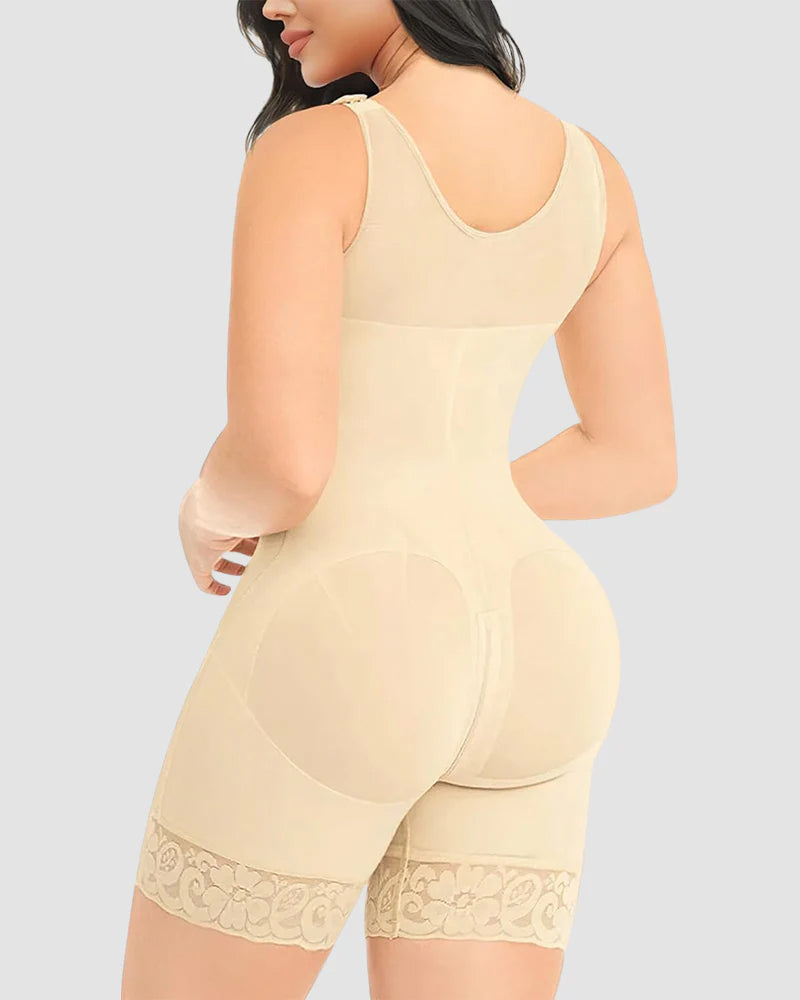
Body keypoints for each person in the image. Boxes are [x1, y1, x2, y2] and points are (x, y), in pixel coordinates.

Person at [121, 1, 677, 998]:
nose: (271, 7)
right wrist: (456, 500)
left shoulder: (316, 153)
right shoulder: (596, 172)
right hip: (542, 635)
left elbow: (284, 462)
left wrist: (204, 509)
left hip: (348, 629)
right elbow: (636, 456)